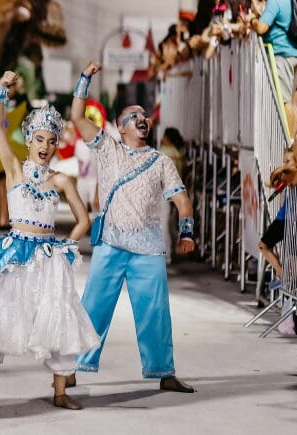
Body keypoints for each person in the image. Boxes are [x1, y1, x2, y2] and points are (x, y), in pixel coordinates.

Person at [0, 71, 99, 412]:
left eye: (51, 141)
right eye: (39, 139)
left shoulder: (62, 180)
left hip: (48, 258)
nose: (45, 147)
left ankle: (60, 390)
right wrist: (2, 89)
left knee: (58, 319)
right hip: (14, 253)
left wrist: (67, 245)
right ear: (29, 139)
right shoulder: (13, 170)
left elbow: (83, 221)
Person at [70, 61, 197, 393]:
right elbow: (77, 118)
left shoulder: (162, 162)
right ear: (118, 126)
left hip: (148, 248)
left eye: (144, 115)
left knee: (155, 312)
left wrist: (187, 231)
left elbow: (182, 201)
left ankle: (164, 372)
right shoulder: (107, 149)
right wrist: (84, 79)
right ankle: (70, 368)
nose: (142, 119)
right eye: (132, 116)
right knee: (93, 307)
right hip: (111, 243)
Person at [250, 0, 297, 99]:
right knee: (292, 102)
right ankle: (294, 122)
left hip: (281, 56)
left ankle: (289, 122)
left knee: (283, 103)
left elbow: (261, 28)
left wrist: (252, 21)